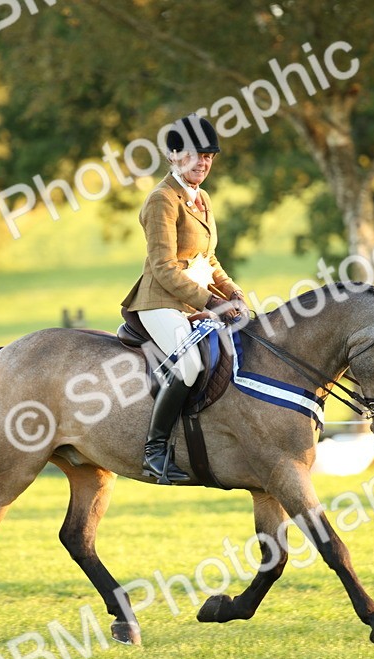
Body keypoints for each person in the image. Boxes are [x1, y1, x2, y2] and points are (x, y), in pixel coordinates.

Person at [121, 114, 248, 484]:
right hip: (160, 303)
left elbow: (207, 259)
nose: (204, 164)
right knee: (190, 365)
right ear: (175, 156)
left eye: (209, 157)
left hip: (193, 302)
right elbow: (163, 268)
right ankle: (155, 454)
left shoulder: (202, 198)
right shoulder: (162, 199)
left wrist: (233, 293)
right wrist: (211, 302)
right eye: (196, 156)